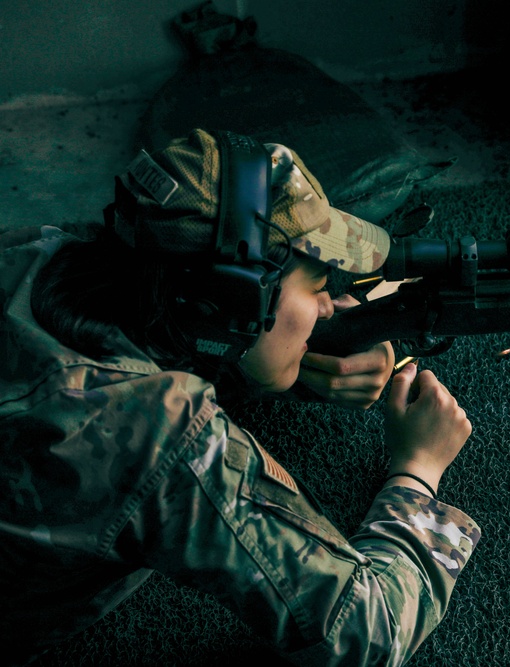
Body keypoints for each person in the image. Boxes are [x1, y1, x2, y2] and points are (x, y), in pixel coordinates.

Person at [0, 129, 480, 665]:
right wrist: (418, 471)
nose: (328, 305)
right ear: (231, 304)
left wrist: (284, 361)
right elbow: (366, 631)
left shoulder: (33, 252)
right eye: (317, 283)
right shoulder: (159, 431)